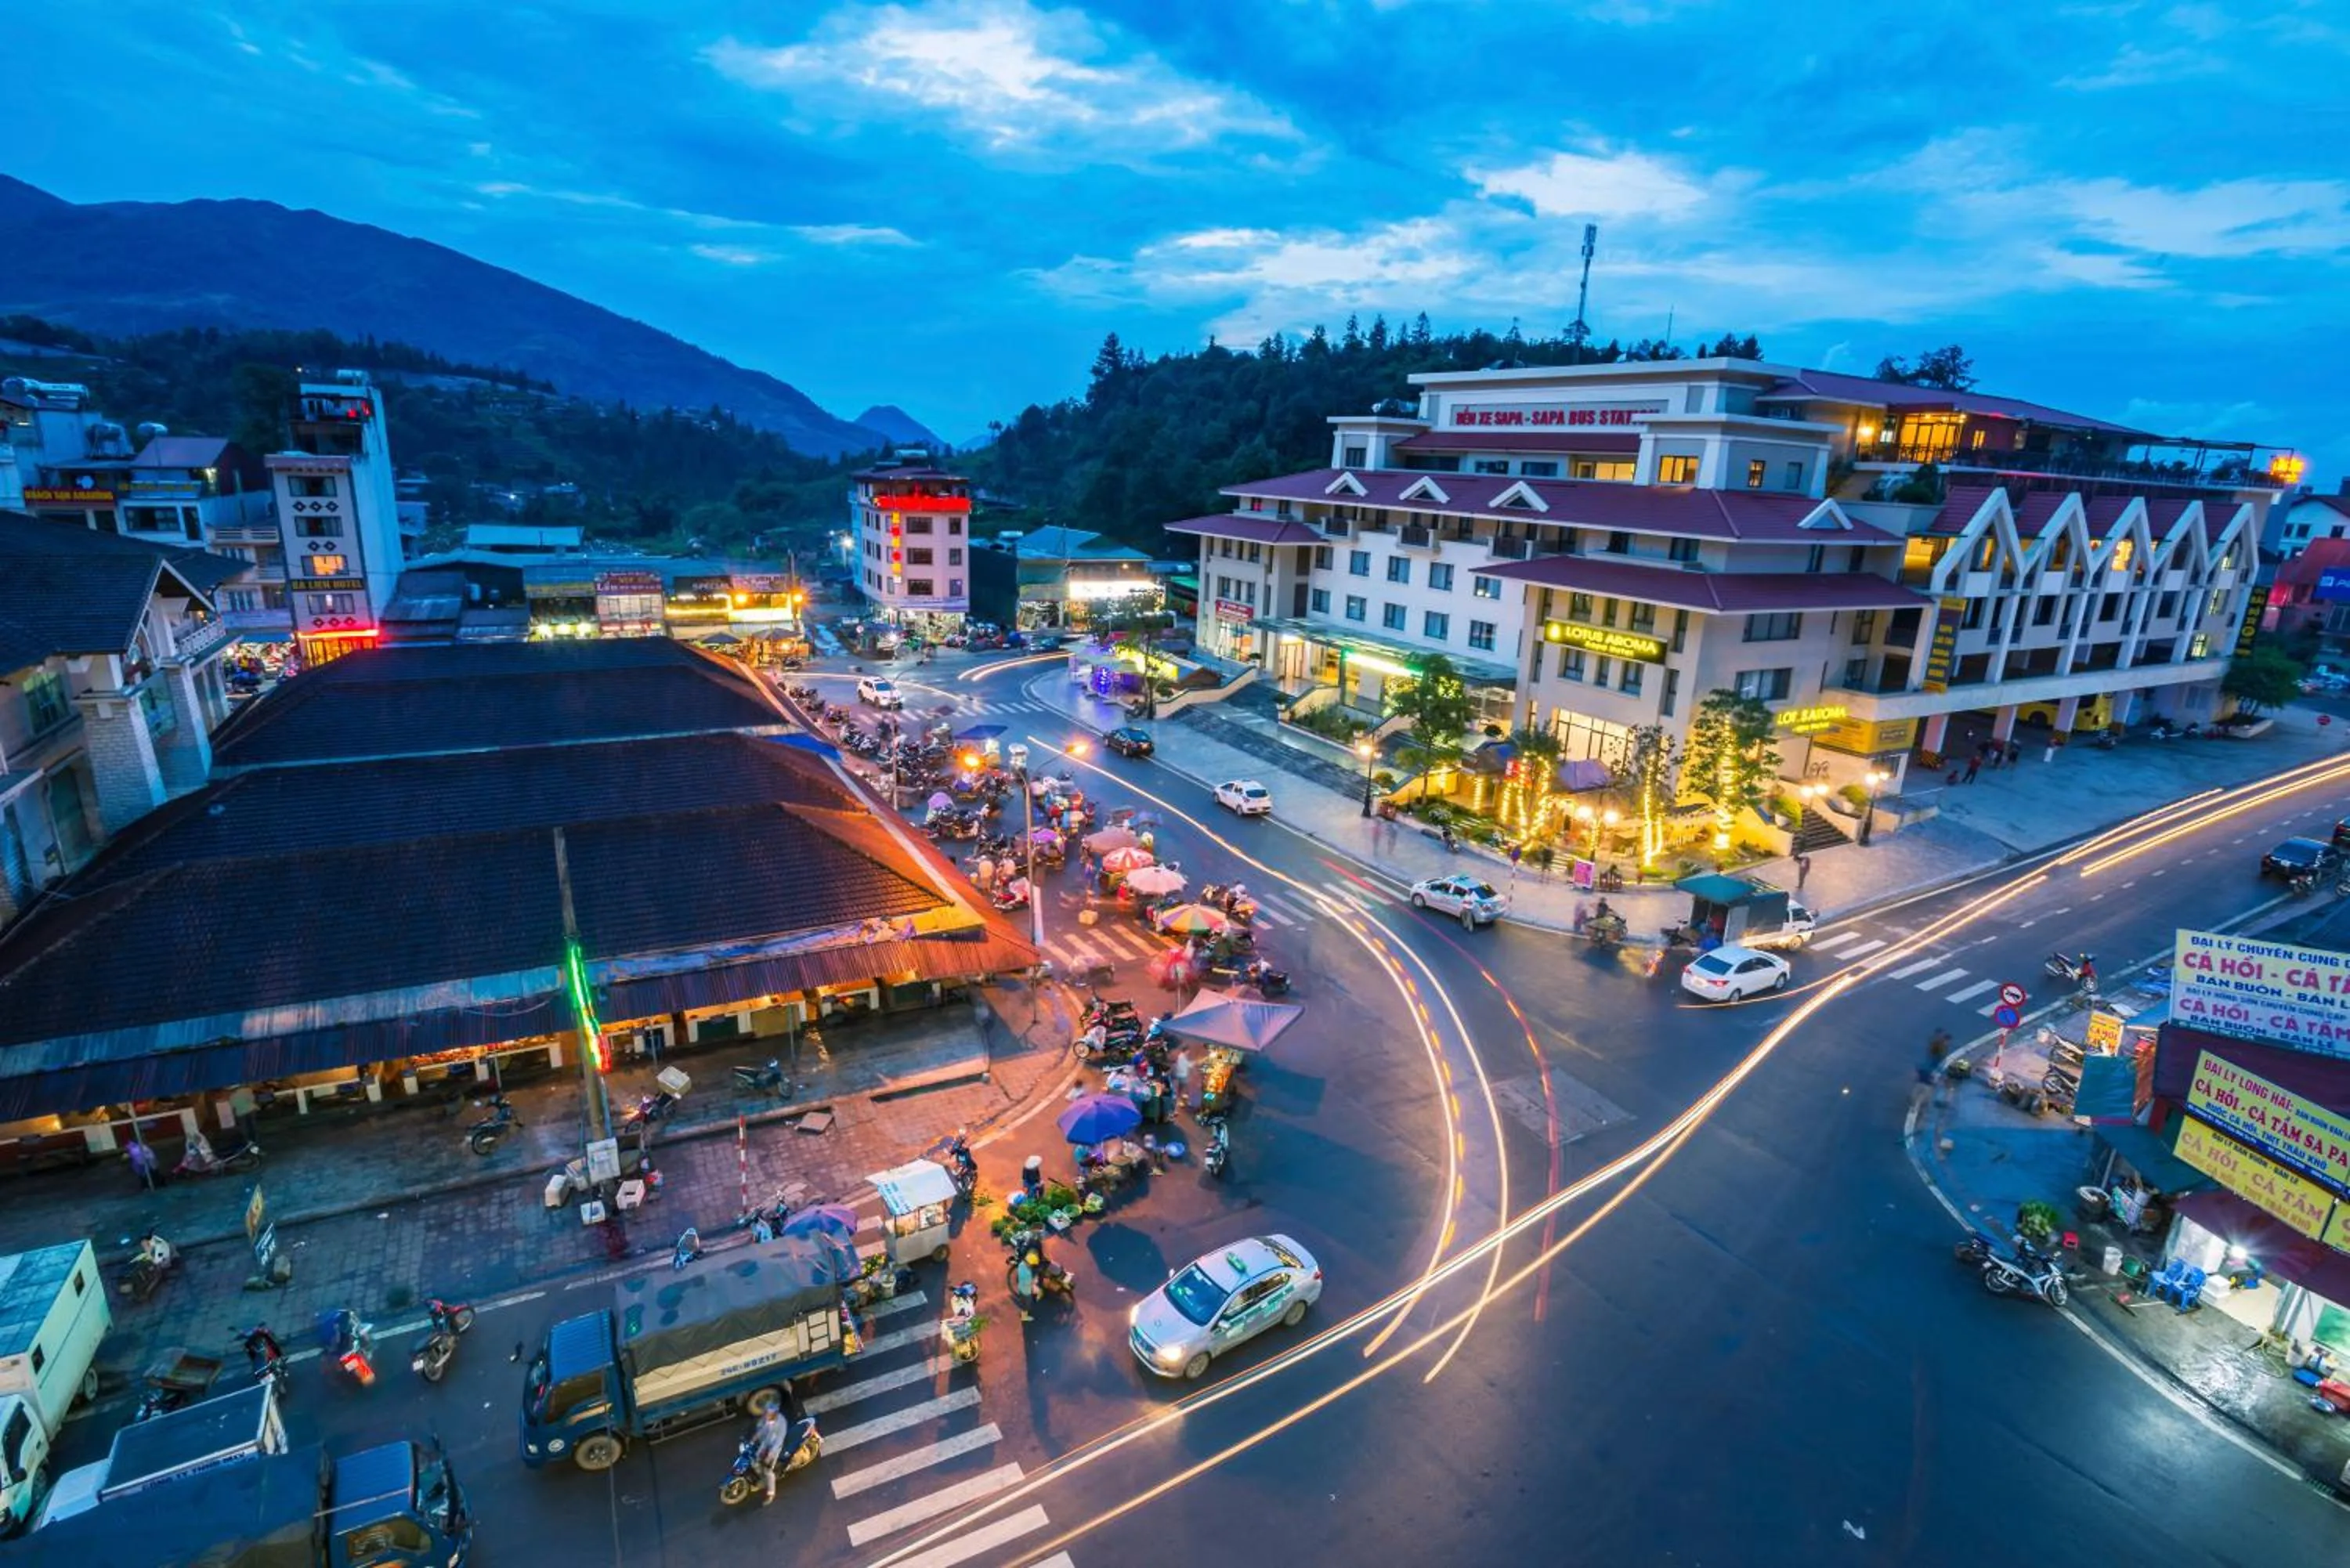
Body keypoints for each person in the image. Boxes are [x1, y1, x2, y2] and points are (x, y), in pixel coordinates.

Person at [754, 1405, 792, 1503]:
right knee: (756, 1457)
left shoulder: (781, 1423)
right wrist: (754, 1438)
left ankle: (771, 1494)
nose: (767, 1415)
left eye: (769, 1414)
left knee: (768, 1471)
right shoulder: (767, 1419)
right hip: (766, 1443)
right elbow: (762, 1429)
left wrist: (770, 1455)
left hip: (774, 1448)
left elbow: (778, 1442)